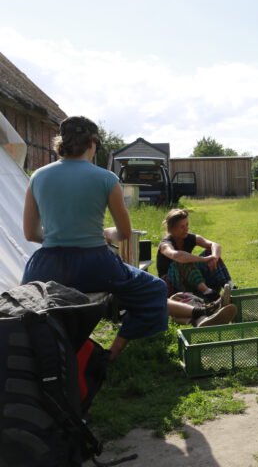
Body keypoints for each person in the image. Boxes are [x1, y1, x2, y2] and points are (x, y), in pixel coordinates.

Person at [21, 116, 213, 361]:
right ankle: (113, 352)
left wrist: (62, 237)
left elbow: (30, 233)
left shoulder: (38, 176)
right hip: (95, 264)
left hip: (46, 266)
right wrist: (102, 234)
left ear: (61, 143)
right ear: (92, 143)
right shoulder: (106, 179)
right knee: (154, 288)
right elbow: (123, 233)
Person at [156, 208, 233, 300]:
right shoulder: (165, 244)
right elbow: (176, 256)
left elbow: (215, 245)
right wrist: (204, 259)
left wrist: (214, 258)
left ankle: (230, 288)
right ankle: (208, 292)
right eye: (182, 227)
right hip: (171, 283)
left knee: (210, 252)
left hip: (188, 278)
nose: (186, 229)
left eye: (187, 225)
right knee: (183, 260)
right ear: (171, 229)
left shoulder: (190, 238)